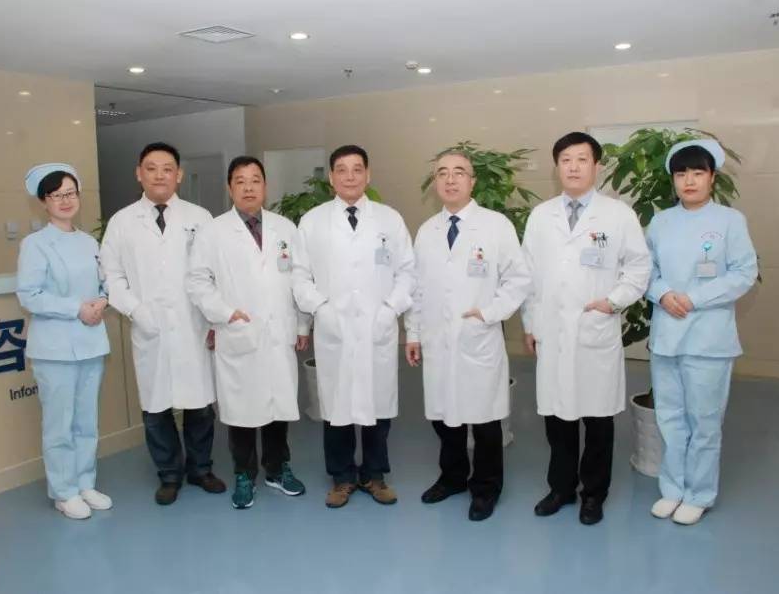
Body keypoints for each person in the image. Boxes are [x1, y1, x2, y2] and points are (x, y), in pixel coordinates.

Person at [522, 132, 650, 525]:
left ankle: (593, 494)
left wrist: (613, 301)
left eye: (581, 159)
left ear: (597, 166)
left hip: (595, 328)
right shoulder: (541, 216)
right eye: (565, 160)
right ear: (557, 167)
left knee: (597, 419)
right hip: (551, 330)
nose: (573, 167)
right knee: (557, 418)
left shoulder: (618, 215)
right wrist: (530, 323)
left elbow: (639, 267)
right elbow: (528, 275)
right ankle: (560, 488)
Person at [405, 150, 530, 521]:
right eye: (442, 173)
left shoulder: (495, 226)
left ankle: (486, 487)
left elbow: (519, 279)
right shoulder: (427, 231)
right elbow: (416, 289)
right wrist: (413, 333)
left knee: (485, 419)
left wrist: (489, 313)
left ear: (472, 181)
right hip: (437, 339)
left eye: (459, 172)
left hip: (479, 337)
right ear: (435, 182)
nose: (450, 179)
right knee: (444, 416)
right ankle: (453, 477)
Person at [100, 142, 225, 505]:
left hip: (194, 324)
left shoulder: (200, 217)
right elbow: (111, 276)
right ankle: (169, 474)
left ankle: (200, 469)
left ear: (179, 175)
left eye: (167, 169)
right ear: (139, 174)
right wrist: (136, 310)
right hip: (149, 327)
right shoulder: (122, 222)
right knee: (156, 407)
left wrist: (214, 317)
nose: (159, 175)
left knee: (200, 405)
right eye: (151, 168)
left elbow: (216, 273)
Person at [292, 144, 415, 508]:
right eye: (342, 170)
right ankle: (342, 478)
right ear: (331, 177)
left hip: (378, 326)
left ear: (368, 175)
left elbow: (407, 271)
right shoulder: (312, 221)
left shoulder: (389, 219)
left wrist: (390, 309)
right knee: (337, 408)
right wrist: (321, 309)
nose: (350, 176)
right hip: (334, 328)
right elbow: (299, 276)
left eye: (357, 169)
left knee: (378, 405)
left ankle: (375, 476)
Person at [187, 156, 310, 509]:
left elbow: (300, 277)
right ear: (230, 188)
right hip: (238, 330)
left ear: (265, 186)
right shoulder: (213, 232)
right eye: (240, 181)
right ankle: (244, 474)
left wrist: (302, 324)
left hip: (279, 332)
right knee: (241, 410)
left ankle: (278, 469)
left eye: (255, 180)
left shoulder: (285, 228)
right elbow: (197, 281)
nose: (249, 187)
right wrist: (225, 314)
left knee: (278, 406)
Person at [645, 139, 757, 525]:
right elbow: (646, 270)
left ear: (712, 177)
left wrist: (694, 298)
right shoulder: (660, 222)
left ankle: (699, 493)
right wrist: (663, 294)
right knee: (670, 419)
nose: (689, 181)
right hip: (667, 336)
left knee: (705, 422)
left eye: (697, 173)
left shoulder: (730, 221)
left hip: (709, 339)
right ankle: (673, 489)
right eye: (681, 174)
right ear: (673, 180)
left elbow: (744, 273)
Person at [16, 163, 111, 520]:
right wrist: (76, 309)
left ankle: (85, 482)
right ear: (44, 201)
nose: (65, 200)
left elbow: (104, 283)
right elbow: (30, 295)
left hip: (91, 343)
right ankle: (63, 490)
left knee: (87, 421)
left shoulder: (89, 242)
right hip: (54, 348)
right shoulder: (35, 245)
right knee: (59, 424)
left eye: (70, 193)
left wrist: (102, 302)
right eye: (57, 195)